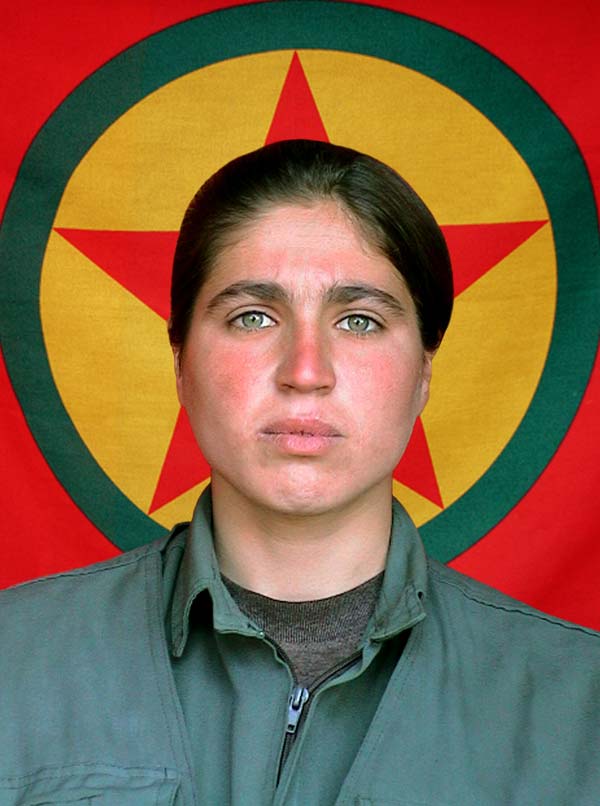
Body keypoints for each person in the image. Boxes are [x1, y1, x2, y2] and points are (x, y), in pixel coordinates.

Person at [1, 140, 599, 805]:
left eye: (360, 321)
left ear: (423, 374)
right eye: (253, 317)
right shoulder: (13, 661)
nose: (305, 371)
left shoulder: (580, 703)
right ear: (181, 362)